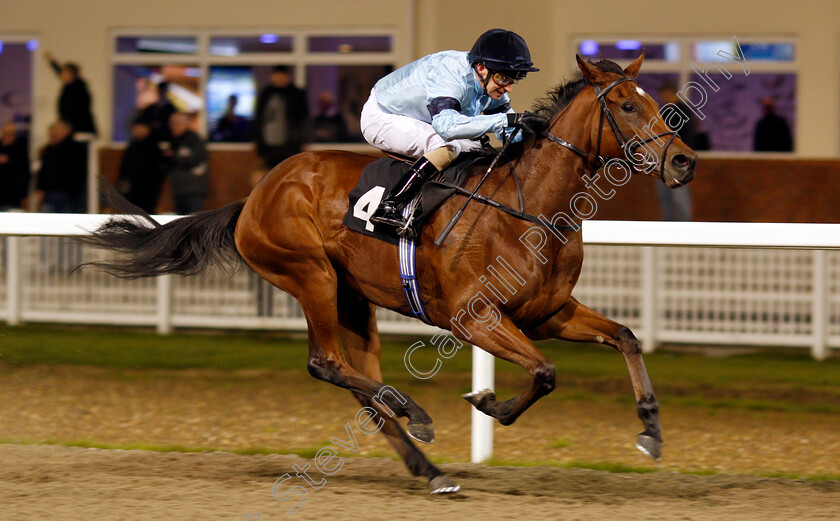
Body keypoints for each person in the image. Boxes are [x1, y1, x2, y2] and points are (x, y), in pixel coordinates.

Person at [360, 28, 544, 231]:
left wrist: (536, 140)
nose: (508, 87)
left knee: (477, 148)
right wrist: (505, 120)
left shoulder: (488, 83)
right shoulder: (449, 73)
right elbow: (447, 127)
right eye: (503, 79)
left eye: (514, 80)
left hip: (420, 118)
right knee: (447, 146)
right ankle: (391, 205)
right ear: (482, 68)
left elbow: (511, 134)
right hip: (382, 115)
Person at [655, 82, 705, 222]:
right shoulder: (665, 111)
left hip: (678, 160)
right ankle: (668, 224)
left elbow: (687, 138)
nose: (664, 98)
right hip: (663, 160)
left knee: (680, 196)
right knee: (665, 197)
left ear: (672, 94)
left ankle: (685, 224)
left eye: (665, 95)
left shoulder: (683, 111)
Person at [254, 65, 309, 169]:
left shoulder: (295, 94)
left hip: (289, 144)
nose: (278, 78)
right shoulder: (266, 94)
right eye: (276, 75)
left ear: (287, 77)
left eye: (281, 76)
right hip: (268, 144)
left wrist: (302, 140)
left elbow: (303, 119)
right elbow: (258, 119)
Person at [36, 120, 87, 213]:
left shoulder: (76, 148)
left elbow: (78, 172)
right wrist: (40, 188)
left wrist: (74, 191)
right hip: (50, 193)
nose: (53, 133)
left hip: (68, 194)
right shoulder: (49, 149)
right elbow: (43, 170)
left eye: (56, 130)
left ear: (66, 131)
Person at [163, 112, 208, 214]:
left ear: (186, 123)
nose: (173, 127)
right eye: (171, 123)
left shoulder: (194, 139)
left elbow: (196, 159)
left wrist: (174, 156)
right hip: (178, 190)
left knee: (192, 221)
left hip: (193, 190)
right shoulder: (174, 141)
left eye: (176, 123)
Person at [44, 52, 97, 137]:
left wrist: (68, 125)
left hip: (79, 128)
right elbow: (59, 71)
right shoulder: (69, 86)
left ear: (71, 74)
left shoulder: (78, 88)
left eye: (65, 72)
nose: (62, 75)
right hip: (70, 126)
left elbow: (79, 108)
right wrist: (52, 61)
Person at [117, 120, 165, 214]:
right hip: (131, 190)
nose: (138, 131)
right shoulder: (132, 146)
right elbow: (124, 169)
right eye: (136, 128)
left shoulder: (153, 147)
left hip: (148, 190)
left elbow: (158, 171)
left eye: (140, 128)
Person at [0, 122, 31, 211]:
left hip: (13, 196)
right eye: (6, 134)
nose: (9, 137)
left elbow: (25, 174)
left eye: (12, 134)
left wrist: (24, 196)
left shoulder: (20, 150)